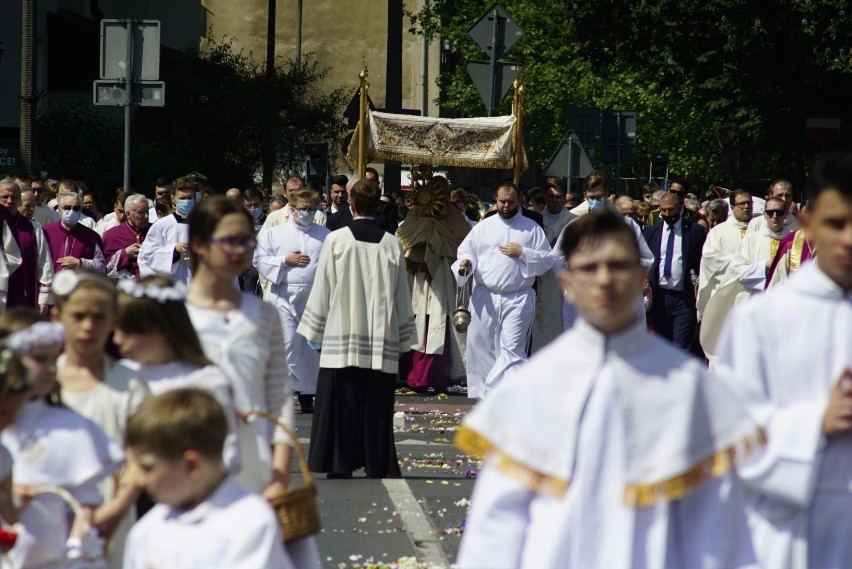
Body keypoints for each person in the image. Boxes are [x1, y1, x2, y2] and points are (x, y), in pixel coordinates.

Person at [455, 211, 760, 569]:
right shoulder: (530, 388)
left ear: (641, 274)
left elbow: (719, 528)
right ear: (566, 282)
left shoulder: (690, 388)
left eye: (618, 265)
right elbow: (497, 528)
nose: (604, 279)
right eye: (588, 267)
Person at [716, 151, 852, 569]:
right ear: (807, 226)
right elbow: (730, 437)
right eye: (836, 224)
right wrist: (816, 423)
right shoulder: (763, 320)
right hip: (791, 529)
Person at [297, 179, 416, 478]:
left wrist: (315, 331)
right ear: (379, 206)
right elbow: (402, 293)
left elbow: (323, 287)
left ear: (351, 205)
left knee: (342, 402)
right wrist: (404, 337)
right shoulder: (391, 243)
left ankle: (340, 462)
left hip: (341, 334)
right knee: (376, 404)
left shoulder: (336, 240)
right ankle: (377, 463)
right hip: (380, 338)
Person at [184, 198, 296, 505]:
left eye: (246, 240)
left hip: (253, 471)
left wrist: (280, 474)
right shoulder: (173, 314)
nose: (240, 250)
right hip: (186, 471)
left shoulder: (263, 315)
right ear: (199, 244)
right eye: (229, 241)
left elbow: (279, 397)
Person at [0, 315, 123, 569]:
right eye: (40, 359)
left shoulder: (72, 426)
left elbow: (84, 503)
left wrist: (76, 548)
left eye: (54, 359)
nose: (52, 368)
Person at [123, 389, 295, 569]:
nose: (141, 480)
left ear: (192, 466)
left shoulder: (250, 522)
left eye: (148, 468)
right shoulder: (147, 530)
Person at [50, 270, 150, 567]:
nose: (88, 326)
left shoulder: (130, 385)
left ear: (113, 321)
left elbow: (139, 458)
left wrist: (116, 510)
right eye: (78, 316)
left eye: (98, 317)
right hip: (49, 516)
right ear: (58, 318)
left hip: (111, 518)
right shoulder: (42, 382)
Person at [452, 181, 553, 399]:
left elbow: (547, 260)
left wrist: (523, 253)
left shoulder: (531, 228)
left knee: (513, 348)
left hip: (518, 297)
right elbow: (466, 253)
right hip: (485, 296)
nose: (506, 206)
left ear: (519, 201)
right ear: (495, 200)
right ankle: (483, 397)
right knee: (481, 347)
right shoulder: (483, 227)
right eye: (502, 201)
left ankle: (507, 395)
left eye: (511, 202)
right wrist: (466, 263)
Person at [253, 188, 330, 413]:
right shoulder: (275, 233)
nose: (307, 213)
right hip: (285, 295)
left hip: (314, 297)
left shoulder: (325, 235)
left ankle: (307, 393)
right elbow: (259, 259)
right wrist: (284, 260)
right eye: (303, 209)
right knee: (286, 345)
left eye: (311, 209)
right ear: (293, 209)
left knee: (309, 348)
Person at [396, 177, 471, 392]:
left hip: (444, 276)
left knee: (440, 322)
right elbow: (402, 240)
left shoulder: (455, 217)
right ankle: (416, 376)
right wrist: (419, 243)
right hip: (419, 277)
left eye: (443, 190)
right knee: (419, 322)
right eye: (435, 190)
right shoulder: (416, 214)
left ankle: (439, 376)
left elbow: (465, 244)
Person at [643, 191, 706, 351]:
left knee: (681, 347)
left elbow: (702, 259)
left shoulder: (694, 232)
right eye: (663, 210)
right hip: (659, 297)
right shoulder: (652, 233)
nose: (666, 213)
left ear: (680, 208)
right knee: (661, 346)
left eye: (670, 210)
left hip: (684, 299)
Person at [531, 181, 577, 352]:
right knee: (539, 328)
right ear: (544, 197)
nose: (555, 200)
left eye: (558, 197)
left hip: (563, 281)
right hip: (540, 279)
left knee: (561, 324)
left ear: (564, 197)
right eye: (551, 196)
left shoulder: (574, 222)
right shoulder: (534, 220)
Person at [696, 189, 753, 320]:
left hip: (753, 296)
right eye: (742, 204)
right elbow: (710, 259)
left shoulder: (760, 228)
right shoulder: (718, 231)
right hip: (726, 294)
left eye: (749, 203)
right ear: (732, 207)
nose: (746, 207)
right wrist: (743, 265)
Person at [0, 178, 53, 315]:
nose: (9, 201)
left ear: (19, 200)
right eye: (4, 197)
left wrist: (43, 298)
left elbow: (45, 262)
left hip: (23, 294)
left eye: (14, 197)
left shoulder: (33, 227)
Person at [138, 177, 196, 284]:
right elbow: (147, 257)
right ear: (173, 199)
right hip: (174, 283)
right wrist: (174, 250)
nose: (187, 202)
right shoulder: (161, 225)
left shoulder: (203, 224)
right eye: (183, 198)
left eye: (190, 198)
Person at [43, 192, 107, 275]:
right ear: (59, 209)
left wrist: (80, 263)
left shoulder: (92, 236)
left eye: (76, 208)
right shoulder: (46, 232)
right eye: (67, 208)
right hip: (51, 284)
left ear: (81, 210)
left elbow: (102, 268)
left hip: (80, 286)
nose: (71, 211)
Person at [102, 194, 150, 280]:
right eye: (141, 212)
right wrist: (125, 254)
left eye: (147, 211)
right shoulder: (112, 235)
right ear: (128, 214)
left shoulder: (155, 230)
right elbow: (103, 266)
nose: (146, 216)